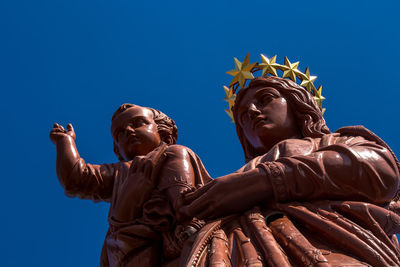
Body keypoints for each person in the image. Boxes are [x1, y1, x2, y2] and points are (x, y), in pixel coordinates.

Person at [179, 76, 400, 266]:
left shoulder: (339, 141)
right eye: (244, 116)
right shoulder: (227, 182)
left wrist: (266, 181)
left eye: (265, 99)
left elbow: (381, 172)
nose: (254, 112)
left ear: (297, 104)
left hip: (338, 252)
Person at [50, 104, 211, 267]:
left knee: (177, 152)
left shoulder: (174, 153)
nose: (127, 130)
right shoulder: (121, 171)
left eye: (138, 123)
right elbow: (76, 179)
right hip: (132, 243)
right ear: (118, 150)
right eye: (119, 134)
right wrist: (65, 141)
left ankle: (185, 214)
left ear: (163, 132)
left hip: (180, 230)